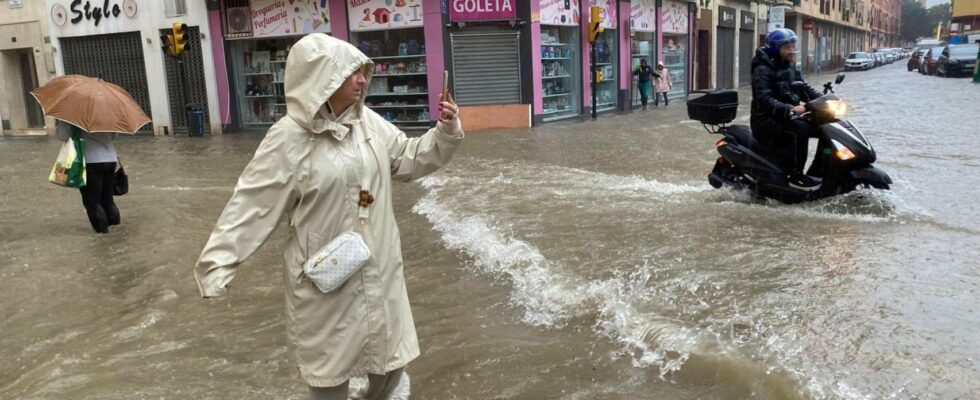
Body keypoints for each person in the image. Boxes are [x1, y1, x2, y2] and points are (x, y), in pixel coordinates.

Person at [193, 33, 463, 400]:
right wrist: (218, 263)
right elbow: (252, 205)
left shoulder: (366, 122)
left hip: (380, 270)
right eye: (352, 72)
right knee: (329, 378)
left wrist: (445, 133)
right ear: (322, 77)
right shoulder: (288, 139)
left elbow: (406, 157)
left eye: (362, 72)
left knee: (392, 364)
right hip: (327, 282)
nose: (362, 80)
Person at [750, 28, 824, 189]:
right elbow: (764, 99)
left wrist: (823, 99)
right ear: (775, 49)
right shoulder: (762, 69)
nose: (792, 50)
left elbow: (803, 88)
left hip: (785, 116)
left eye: (793, 46)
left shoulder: (789, 66)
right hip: (765, 120)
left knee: (824, 126)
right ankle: (795, 175)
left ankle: (821, 170)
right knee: (801, 128)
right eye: (787, 47)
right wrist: (790, 109)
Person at [56, 121, 120, 233]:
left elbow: (62, 136)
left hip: (90, 161)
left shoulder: (74, 116)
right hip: (110, 159)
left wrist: (61, 123)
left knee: (92, 202)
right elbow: (114, 136)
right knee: (107, 199)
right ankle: (116, 231)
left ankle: (103, 235)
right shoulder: (108, 114)